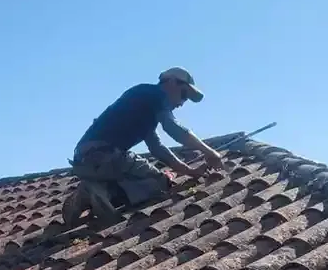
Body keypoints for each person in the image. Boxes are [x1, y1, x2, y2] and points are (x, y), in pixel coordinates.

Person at [62, 67, 224, 228]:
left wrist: (189, 171)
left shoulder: (143, 106)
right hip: (104, 155)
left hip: (87, 160)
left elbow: (157, 149)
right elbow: (172, 128)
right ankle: (92, 192)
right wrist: (210, 153)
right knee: (160, 182)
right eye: (183, 95)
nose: (182, 103)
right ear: (172, 83)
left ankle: (94, 194)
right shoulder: (155, 94)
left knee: (149, 180)